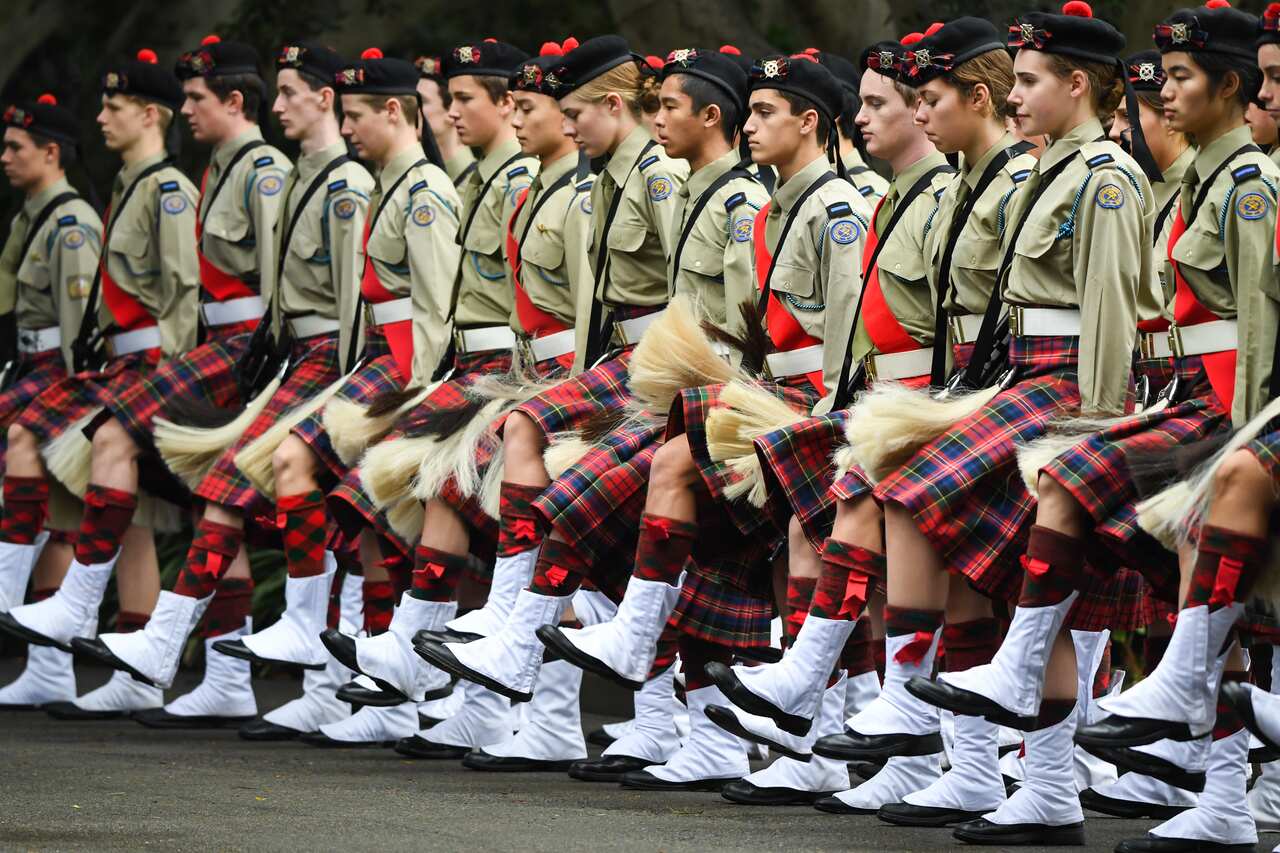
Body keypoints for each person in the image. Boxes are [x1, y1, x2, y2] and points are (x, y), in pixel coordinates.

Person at [905, 4, 1272, 848]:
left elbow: (1247, 328)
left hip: (1217, 403)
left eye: (1180, 77)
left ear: (1226, 85)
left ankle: (1211, 780)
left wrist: (1236, 434)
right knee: (1166, 568)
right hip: (1179, 395)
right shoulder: (1189, 182)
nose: (1164, 93)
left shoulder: (1232, 187)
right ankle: (1045, 717)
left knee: (1209, 588)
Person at [709, 19, 1038, 814]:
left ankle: (853, 706)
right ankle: (914, 749)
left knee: (889, 517)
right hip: (913, 396)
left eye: (897, 101)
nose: (880, 116)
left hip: (978, 394)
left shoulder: (994, 185)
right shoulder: (922, 193)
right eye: (894, 100)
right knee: (848, 524)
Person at [388, 34, 692, 764]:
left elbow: (683, 300)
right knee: (504, 483)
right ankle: (520, 672)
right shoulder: (607, 178)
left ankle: (541, 669)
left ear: (610, 105)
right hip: (609, 366)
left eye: (567, 110)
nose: (554, 121)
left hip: (651, 370)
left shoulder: (651, 178)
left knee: (579, 508)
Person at [19, 34, 291, 729]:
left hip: (241, 349)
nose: (186, 109)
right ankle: (224, 679)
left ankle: (79, 605)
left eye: (196, 98)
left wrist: (233, 365)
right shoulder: (214, 170)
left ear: (234, 100)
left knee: (116, 440)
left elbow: (262, 285)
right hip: (214, 347)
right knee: (208, 505)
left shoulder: (259, 171)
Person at [0, 48, 199, 718]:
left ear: (150, 115)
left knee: (45, 451)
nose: (101, 117)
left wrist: (173, 379)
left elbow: (184, 293)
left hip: (154, 366)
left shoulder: (167, 190)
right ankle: (123, 667)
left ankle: (50, 619)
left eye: (115, 107)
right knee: (130, 515)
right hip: (119, 363)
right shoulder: (129, 186)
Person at [0, 91, 102, 709]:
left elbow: (78, 329)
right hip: (27, 366)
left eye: (16, 147)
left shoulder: (71, 224)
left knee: (57, 521)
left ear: (51, 153)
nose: (5, 157)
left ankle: (39, 648)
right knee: (52, 522)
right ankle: (48, 667)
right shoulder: (30, 217)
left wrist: (70, 405)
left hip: (59, 374)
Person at [415, 54, 477, 185]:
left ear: (451, 109)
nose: (412, 108)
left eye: (422, 101)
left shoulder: (477, 183)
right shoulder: (418, 178)